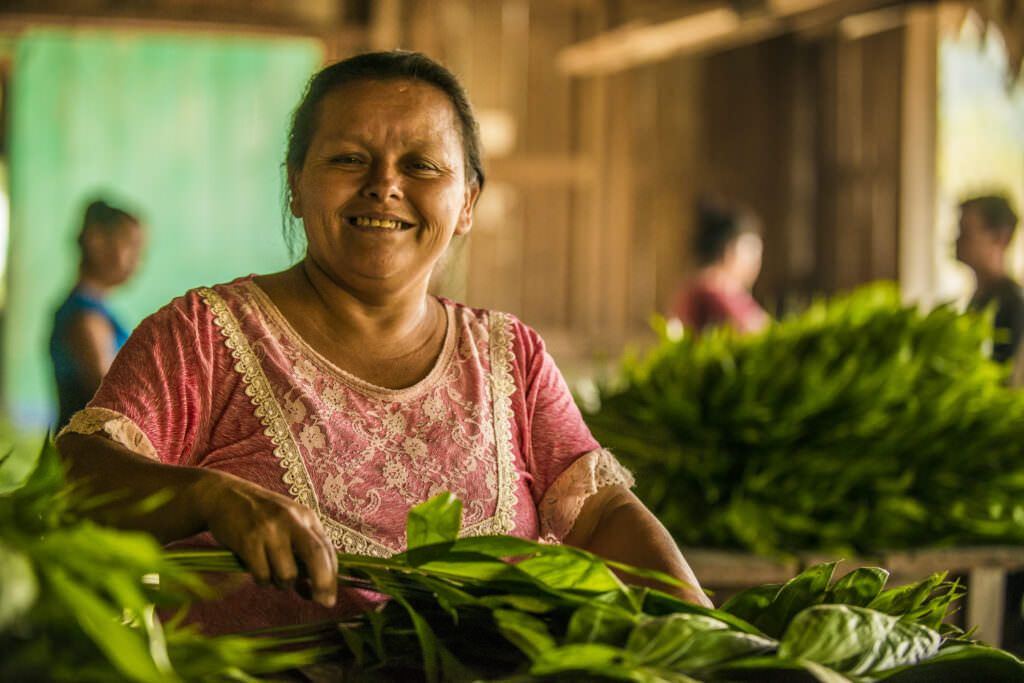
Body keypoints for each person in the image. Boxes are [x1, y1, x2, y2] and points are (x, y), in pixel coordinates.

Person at [56, 51, 711, 635]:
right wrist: (205, 495)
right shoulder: (200, 336)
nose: (385, 184)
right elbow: (77, 476)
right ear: (295, 183)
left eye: (421, 165)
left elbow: (599, 515)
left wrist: (710, 639)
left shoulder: (513, 358)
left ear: (468, 203)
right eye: (348, 158)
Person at [50, 199, 145, 430]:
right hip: (86, 459)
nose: (137, 260)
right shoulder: (85, 318)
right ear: (96, 240)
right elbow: (112, 399)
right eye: (130, 246)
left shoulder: (92, 312)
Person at [671, 198, 768, 335]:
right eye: (752, 252)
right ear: (729, 251)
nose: (757, 263)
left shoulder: (699, 288)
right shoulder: (714, 292)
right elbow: (756, 331)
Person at [955, 194, 1024, 363]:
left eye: (967, 232)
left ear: (1001, 238)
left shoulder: (1013, 307)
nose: (957, 240)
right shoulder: (981, 299)